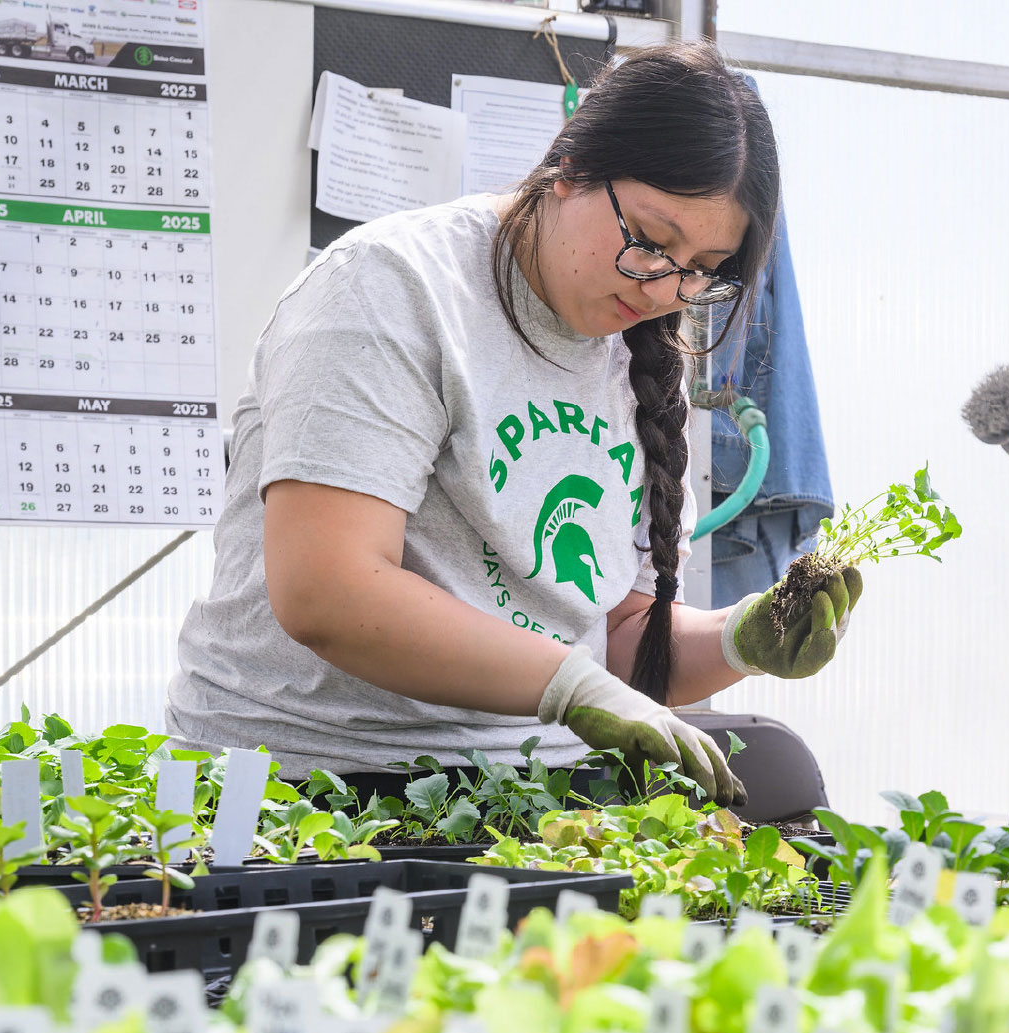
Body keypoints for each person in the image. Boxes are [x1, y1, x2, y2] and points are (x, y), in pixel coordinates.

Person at [164, 43, 861, 806]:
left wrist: (739, 637)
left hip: (528, 794)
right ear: (568, 166)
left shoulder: (640, 356)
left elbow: (615, 639)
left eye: (704, 268)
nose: (668, 287)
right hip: (307, 791)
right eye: (652, 242)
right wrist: (566, 686)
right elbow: (330, 592)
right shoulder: (392, 288)